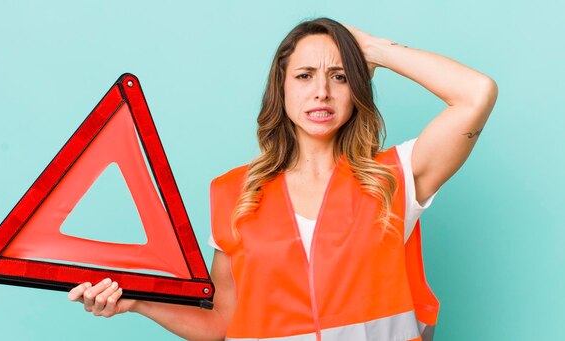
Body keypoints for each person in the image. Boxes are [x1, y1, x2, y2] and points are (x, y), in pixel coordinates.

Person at [67, 17, 497, 341]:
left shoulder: (397, 176)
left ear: (357, 90)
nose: (321, 92)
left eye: (341, 76)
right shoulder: (234, 192)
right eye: (305, 76)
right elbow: (223, 321)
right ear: (283, 88)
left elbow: (476, 94)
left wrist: (369, 47)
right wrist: (139, 300)